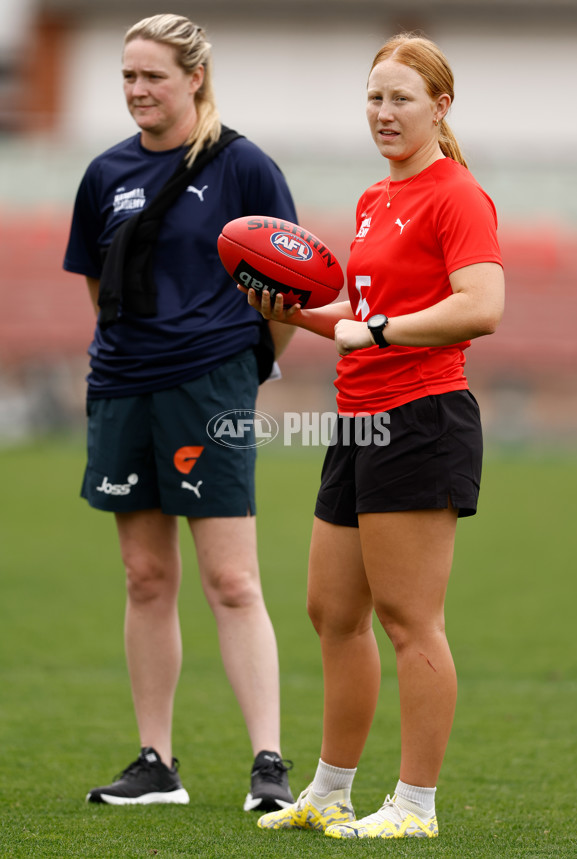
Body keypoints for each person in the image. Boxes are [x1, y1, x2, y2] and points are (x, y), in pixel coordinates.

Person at [247, 33, 504, 839]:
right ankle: (328, 790)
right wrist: (290, 308)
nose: (383, 113)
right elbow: (355, 325)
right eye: (373, 98)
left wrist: (383, 330)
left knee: (408, 620)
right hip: (357, 417)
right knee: (332, 612)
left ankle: (416, 806)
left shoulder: (456, 194)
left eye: (400, 98)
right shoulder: (372, 199)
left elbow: (482, 306)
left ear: (439, 107)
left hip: (423, 418)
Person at [63, 13, 298, 811]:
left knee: (232, 579)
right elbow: (97, 290)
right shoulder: (104, 174)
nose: (136, 90)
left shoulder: (244, 167)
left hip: (210, 387)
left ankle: (268, 764)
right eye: (127, 76)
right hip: (124, 384)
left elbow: (288, 291)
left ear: (194, 77)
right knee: (145, 575)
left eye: (152, 76)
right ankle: (156, 763)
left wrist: (243, 366)